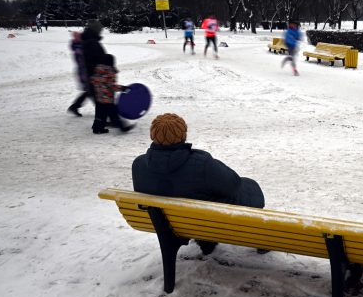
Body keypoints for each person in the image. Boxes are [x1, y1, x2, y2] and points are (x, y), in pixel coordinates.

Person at [132, 113, 265, 254]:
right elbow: (233, 185)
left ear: (153, 136)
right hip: (205, 221)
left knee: (202, 194)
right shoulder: (200, 163)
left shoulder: (139, 165)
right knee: (249, 186)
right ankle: (261, 237)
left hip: (171, 223)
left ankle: (206, 241)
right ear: (183, 135)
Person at [90, 53, 134, 134]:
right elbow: (112, 86)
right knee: (114, 114)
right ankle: (123, 127)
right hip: (108, 98)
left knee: (100, 115)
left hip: (99, 97)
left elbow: (93, 81)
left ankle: (97, 128)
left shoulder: (97, 70)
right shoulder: (110, 71)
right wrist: (123, 88)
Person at [67, 31, 92, 117]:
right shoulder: (78, 49)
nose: (80, 37)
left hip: (84, 71)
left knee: (89, 91)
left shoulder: (80, 46)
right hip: (83, 72)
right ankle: (105, 112)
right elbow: (82, 62)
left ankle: (74, 106)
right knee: (90, 91)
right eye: (77, 36)